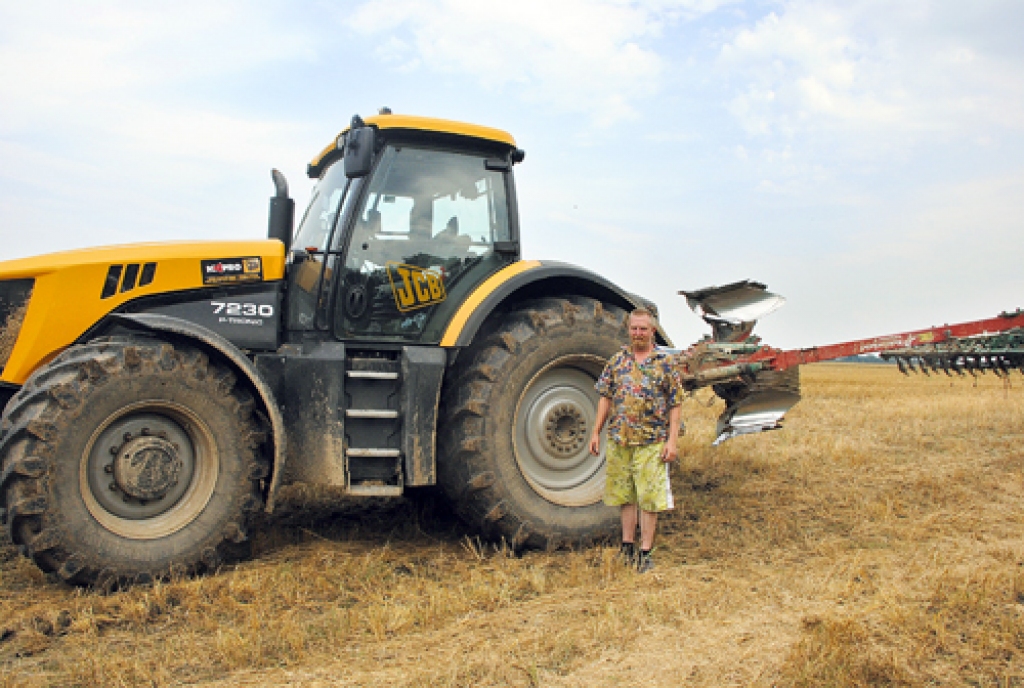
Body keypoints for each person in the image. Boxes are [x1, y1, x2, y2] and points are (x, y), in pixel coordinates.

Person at [588, 307, 683, 573]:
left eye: (643, 328)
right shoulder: (618, 361)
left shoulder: (664, 364)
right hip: (620, 440)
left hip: (651, 441)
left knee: (649, 498)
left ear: (653, 331)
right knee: (625, 496)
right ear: (629, 330)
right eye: (634, 328)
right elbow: (605, 396)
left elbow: (676, 404)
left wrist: (672, 442)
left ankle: (645, 552)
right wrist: (596, 431)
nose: (638, 333)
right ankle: (627, 546)